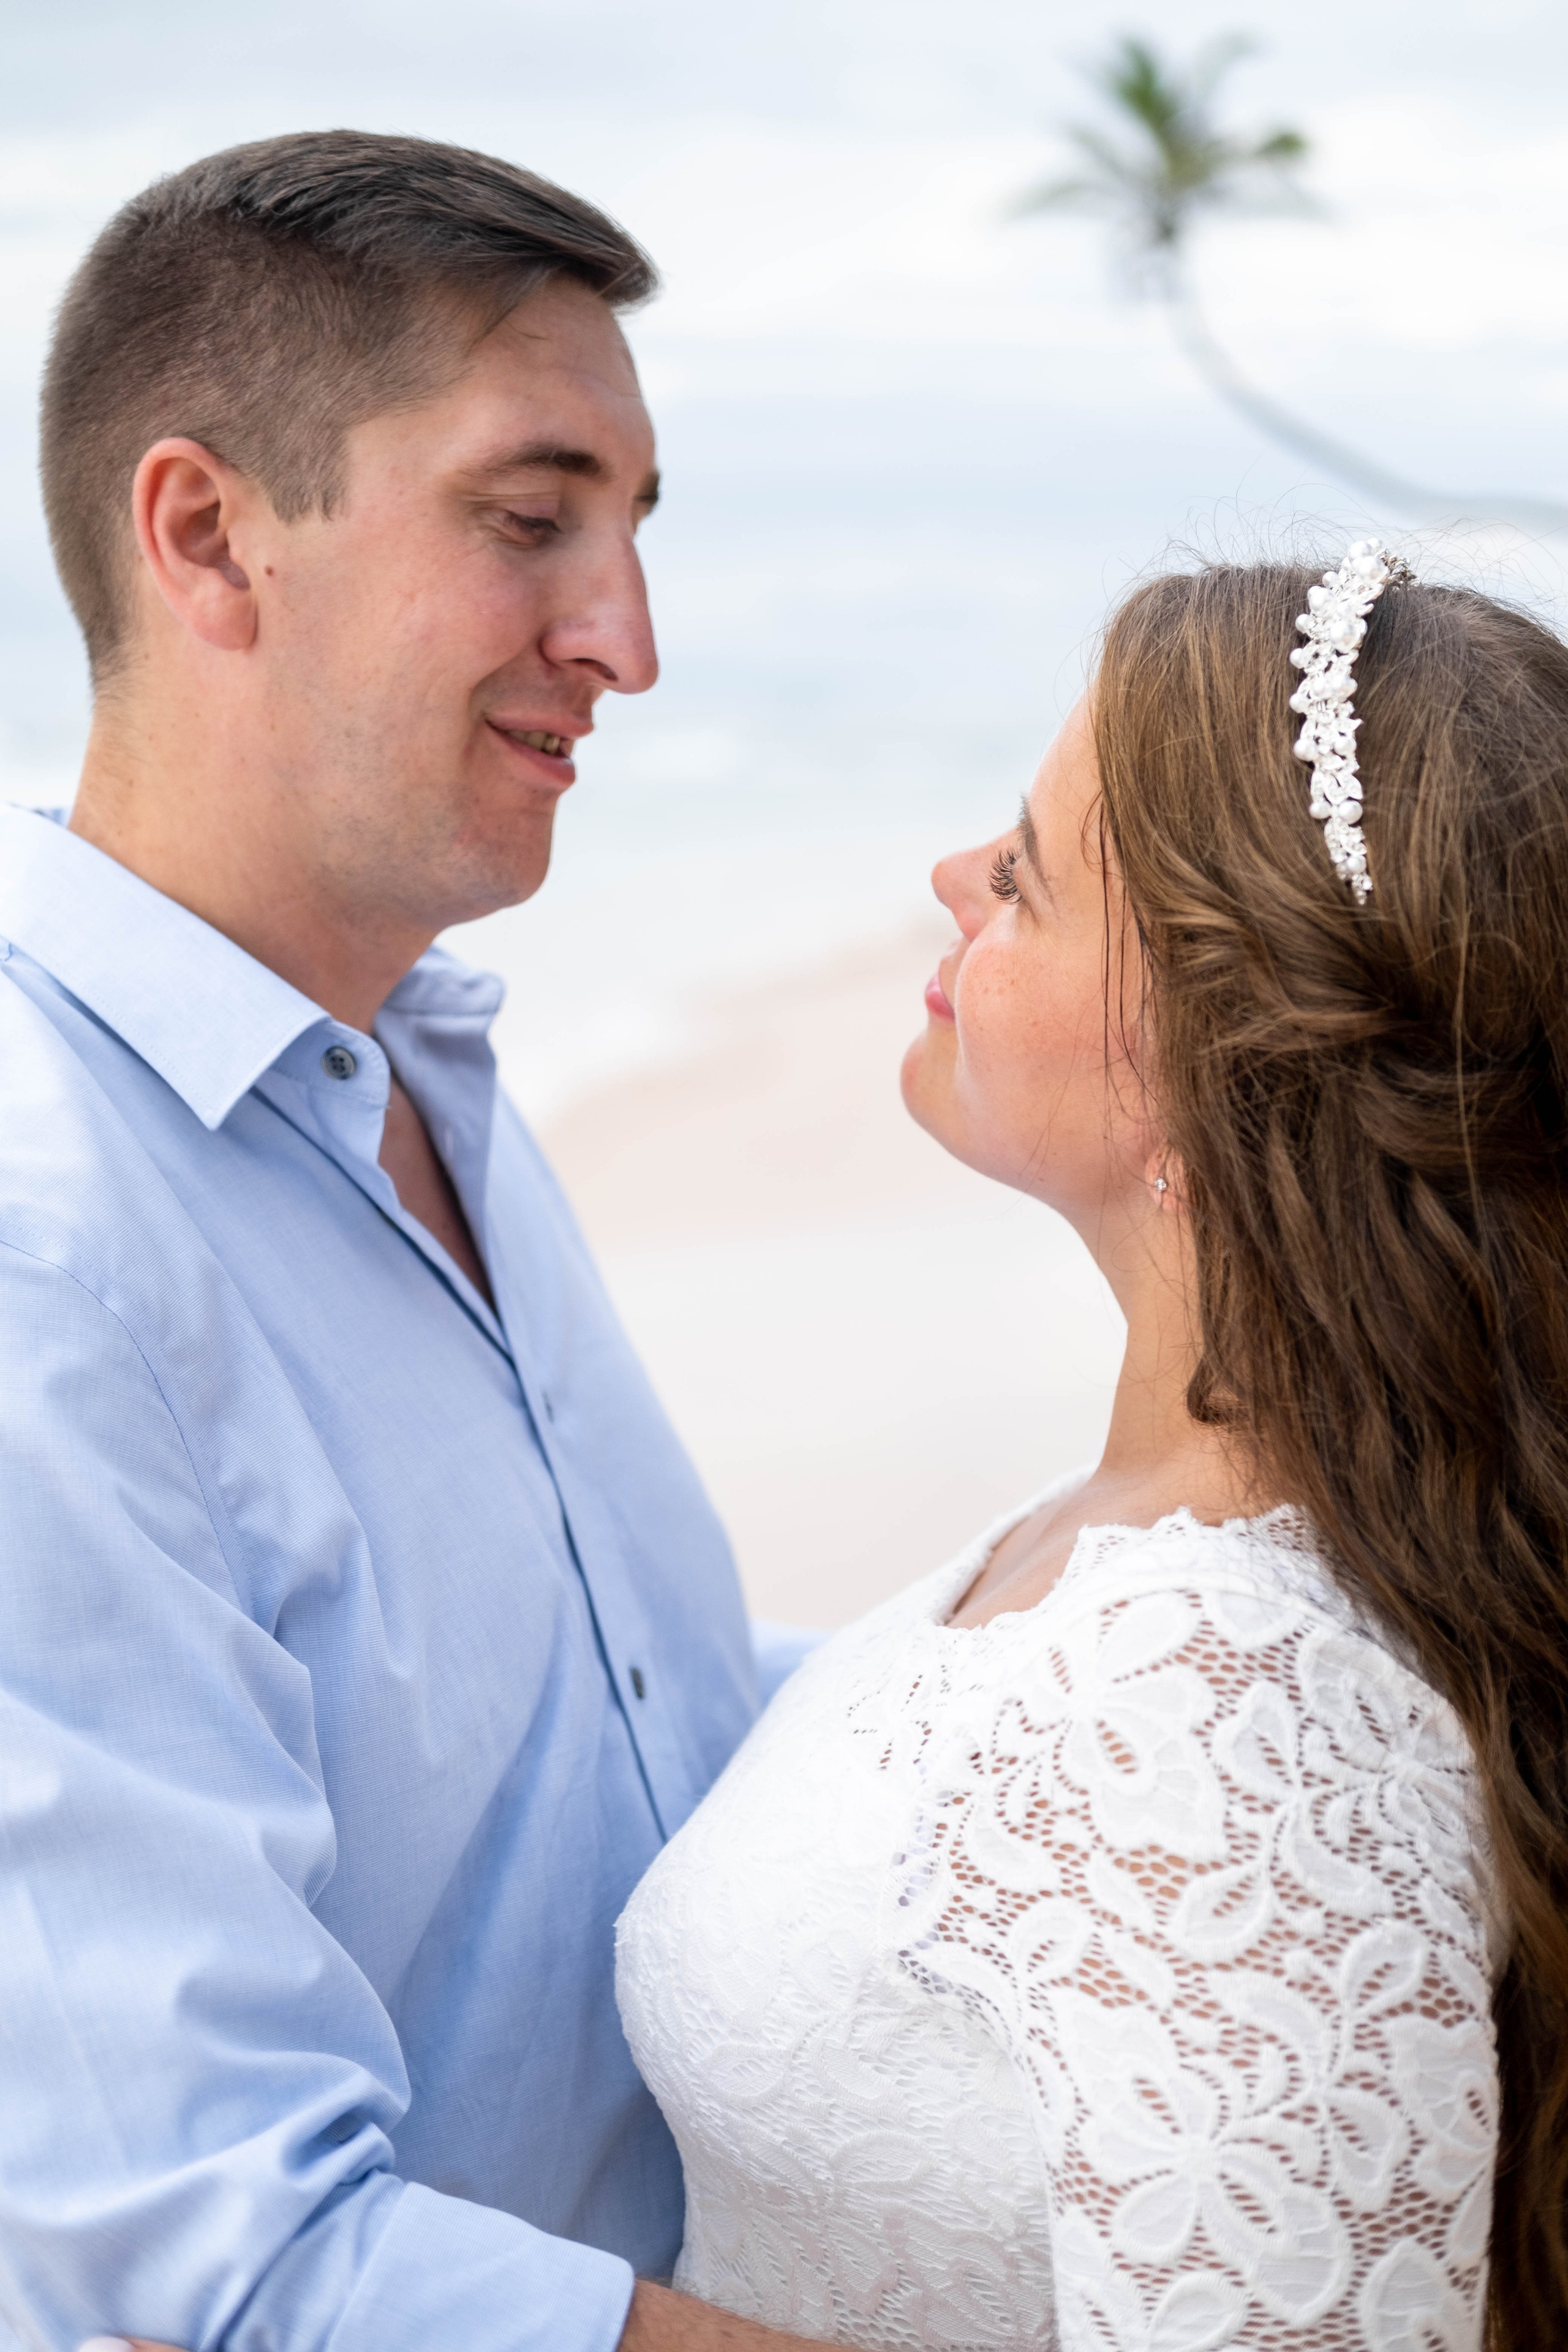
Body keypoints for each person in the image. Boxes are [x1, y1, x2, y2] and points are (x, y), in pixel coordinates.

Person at [0, 129, 817, 2352]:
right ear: (208, 536)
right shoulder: (41, 1242)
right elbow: (243, 2266)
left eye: (634, 536)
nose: (624, 644)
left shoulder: (414, 1055)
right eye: (530, 521)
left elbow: (653, 1736)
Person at [614, 549, 1568, 2349]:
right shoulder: (1133, 1545)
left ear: (1207, 1072)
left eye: (1027, 879)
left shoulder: (1225, 1710)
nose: (949, 882)